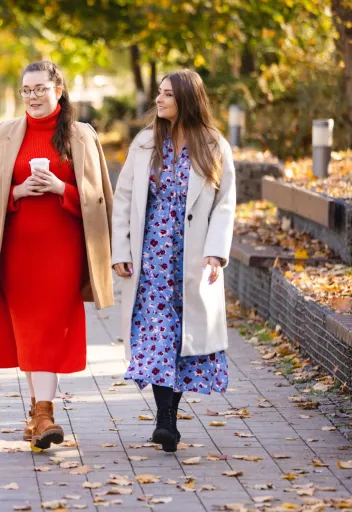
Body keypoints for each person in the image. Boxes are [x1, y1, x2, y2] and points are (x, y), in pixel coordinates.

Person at [0, 61, 114, 451]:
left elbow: (98, 200)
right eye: (26, 90)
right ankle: (39, 414)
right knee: (27, 332)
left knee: (50, 330)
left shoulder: (81, 135)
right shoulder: (6, 134)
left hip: (63, 252)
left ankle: (43, 414)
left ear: (58, 89)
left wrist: (61, 188)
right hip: (16, 253)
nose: (33, 96)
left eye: (40, 88)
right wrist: (17, 194)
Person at [111, 69, 236, 453]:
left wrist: (216, 252)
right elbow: (124, 198)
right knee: (157, 335)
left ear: (187, 99)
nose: (159, 100)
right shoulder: (146, 142)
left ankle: (169, 416)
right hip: (151, 259)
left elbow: (225, 204)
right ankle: (165, 419)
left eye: (167, 94)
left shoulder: (214, 145)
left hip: (194, 259)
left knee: (183, 338)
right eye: (159, 94)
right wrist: (121, 250)